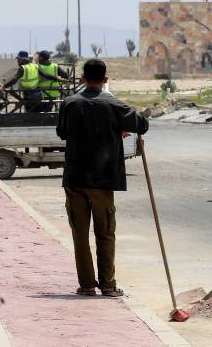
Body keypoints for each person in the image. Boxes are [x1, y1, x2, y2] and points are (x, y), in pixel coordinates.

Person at [56, 58, 149, 297]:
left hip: (75, 178)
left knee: (79, 233)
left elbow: (62, 133)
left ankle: (87, 284)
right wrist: (117, 127)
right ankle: (107, 284)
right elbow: (142, 124)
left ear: (83, 78)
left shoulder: (69, 103)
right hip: (103, 179)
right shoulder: (113, 104)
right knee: (105, 232)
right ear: (105, 79)